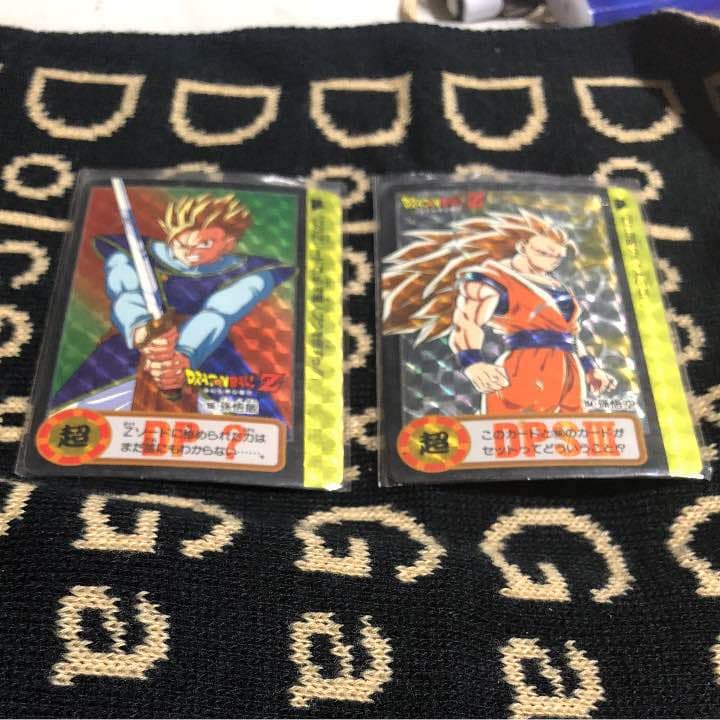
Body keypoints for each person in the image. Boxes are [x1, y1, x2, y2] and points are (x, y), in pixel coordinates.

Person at [51, 194, 294, 419]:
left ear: (228, 244)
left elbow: (218, 313)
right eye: (181, 243)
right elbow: (126, 293)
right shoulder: (130, 252)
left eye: (204, 244)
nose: (190, 253)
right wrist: (141, 329)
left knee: (259, 422)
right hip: (136, 342)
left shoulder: (253, 273)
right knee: (70, 415)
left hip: (206, 347)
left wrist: (183, 355)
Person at [382, 209, 616, 415]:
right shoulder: (494, 279)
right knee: (518, 432)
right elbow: (467, 322)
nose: (553, 261)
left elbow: (570, 335)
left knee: (571, 437)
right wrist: (473, 362)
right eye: (544, 253)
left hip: (570, 371)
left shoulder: (558, 287)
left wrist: (590, 369)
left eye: (558, 256)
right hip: (525, 369)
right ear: (522, 247)